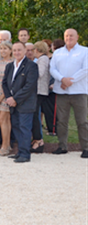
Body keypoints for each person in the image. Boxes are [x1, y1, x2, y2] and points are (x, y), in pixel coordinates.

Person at [49, 29, 88, 158]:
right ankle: (62, 146)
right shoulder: (58, 53)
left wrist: (70, 81)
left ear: (77, 37)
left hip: (79, 91)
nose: (69, 38)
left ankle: (86, 148)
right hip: (61, 91)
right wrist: (62, 79)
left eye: (71, 35)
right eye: (66, 36)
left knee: (82, 121)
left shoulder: (85, 51)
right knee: (61, 121)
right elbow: (52, 69)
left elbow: (85, 69)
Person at [3, 42, 39, 163]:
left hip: (25, 103)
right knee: (17, 127)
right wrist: (9, 98)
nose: (17, 52)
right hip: (12, 103)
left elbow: (29, 86)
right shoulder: (9, 66)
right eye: (14, 50)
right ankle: (20, 152)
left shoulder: (31, 66)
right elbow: (4, 83)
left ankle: (25, 154)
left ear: (24, 51)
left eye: (19, 50)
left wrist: (15, 99)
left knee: (25, 128)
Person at [0, 41, 14, 156]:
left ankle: (5, 146)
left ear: (10, 50)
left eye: (6, 48)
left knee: (3, 119)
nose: (3, 51)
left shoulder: (12, 63)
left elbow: (11, 82)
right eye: (1, 49)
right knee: (4, 120)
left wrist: (2, 96)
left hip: (6, 95)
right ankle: (7, 144)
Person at [30, 41, 50, 153]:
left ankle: (38, 139)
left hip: (39, 91)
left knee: (35, 115)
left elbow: (40, 73)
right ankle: (36, 139)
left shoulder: (43, 59)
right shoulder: (41, 59)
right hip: (38, 91)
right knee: (34, 115)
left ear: (37, 50)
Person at [41, 39, 65, 136]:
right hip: (49, 87)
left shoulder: (59, 58)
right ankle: (51, 128)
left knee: (53, 110)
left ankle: (54, 130)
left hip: (54, 88)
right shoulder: (54, 57)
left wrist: (55, 83)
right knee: (48, 110)